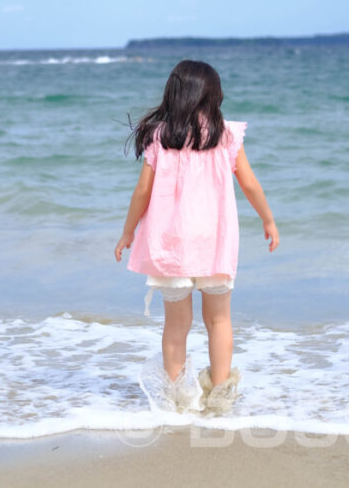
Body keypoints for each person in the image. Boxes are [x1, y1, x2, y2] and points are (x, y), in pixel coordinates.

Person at [114, 59, 278, 413]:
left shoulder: (160, 136)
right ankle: (220, 398)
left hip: (170, 246)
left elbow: (142, 192)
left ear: (174, 93)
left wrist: (128, 232)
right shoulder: (227, 135)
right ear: (214, 96)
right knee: (219, 320)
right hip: (215, 245)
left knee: (177, 324)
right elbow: (248, 183)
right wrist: (268, 219)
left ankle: (175, 400)